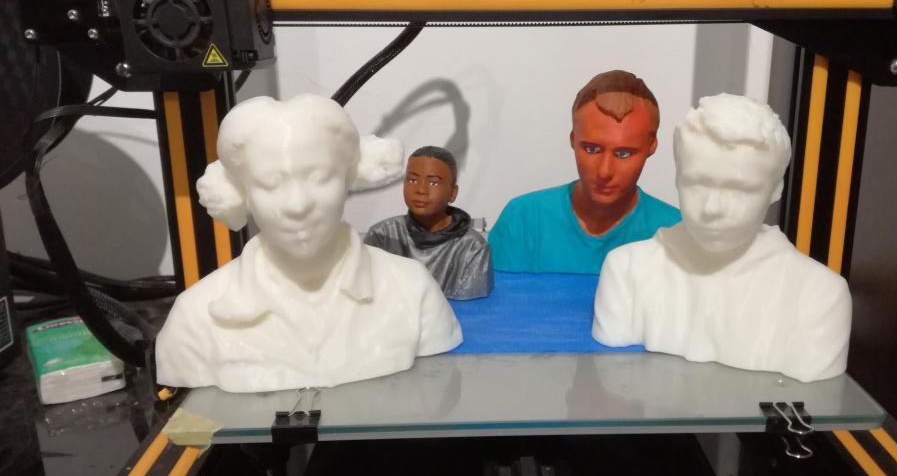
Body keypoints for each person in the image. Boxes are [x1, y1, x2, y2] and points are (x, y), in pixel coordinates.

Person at [155, 95, 462, 393]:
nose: (298, 205)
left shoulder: (412, 292)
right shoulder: (195, 320)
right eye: (271, 183)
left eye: (319, 177)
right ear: (242, 192)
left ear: (349, 177)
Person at [592, 93, 851, 383]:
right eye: (697, 184)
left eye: (741, 189)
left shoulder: (819, 295)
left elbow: (814, 392)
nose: (712, 209)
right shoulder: (628, 270)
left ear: (776, 189)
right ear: (677, 177)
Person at [488, 70, 681, 274]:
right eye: (591, 149)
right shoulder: (523, 219)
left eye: (623, 154)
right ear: (573, 140)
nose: (604, 171)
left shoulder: (676, 232)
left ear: (651, 146)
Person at [364, 146, 493, 300]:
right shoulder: (381, 236)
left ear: (452, 192)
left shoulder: (472, 247)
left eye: (433, 183)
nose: (421, 190)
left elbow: (472, 307)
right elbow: (365, 292)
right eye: (412, 180)